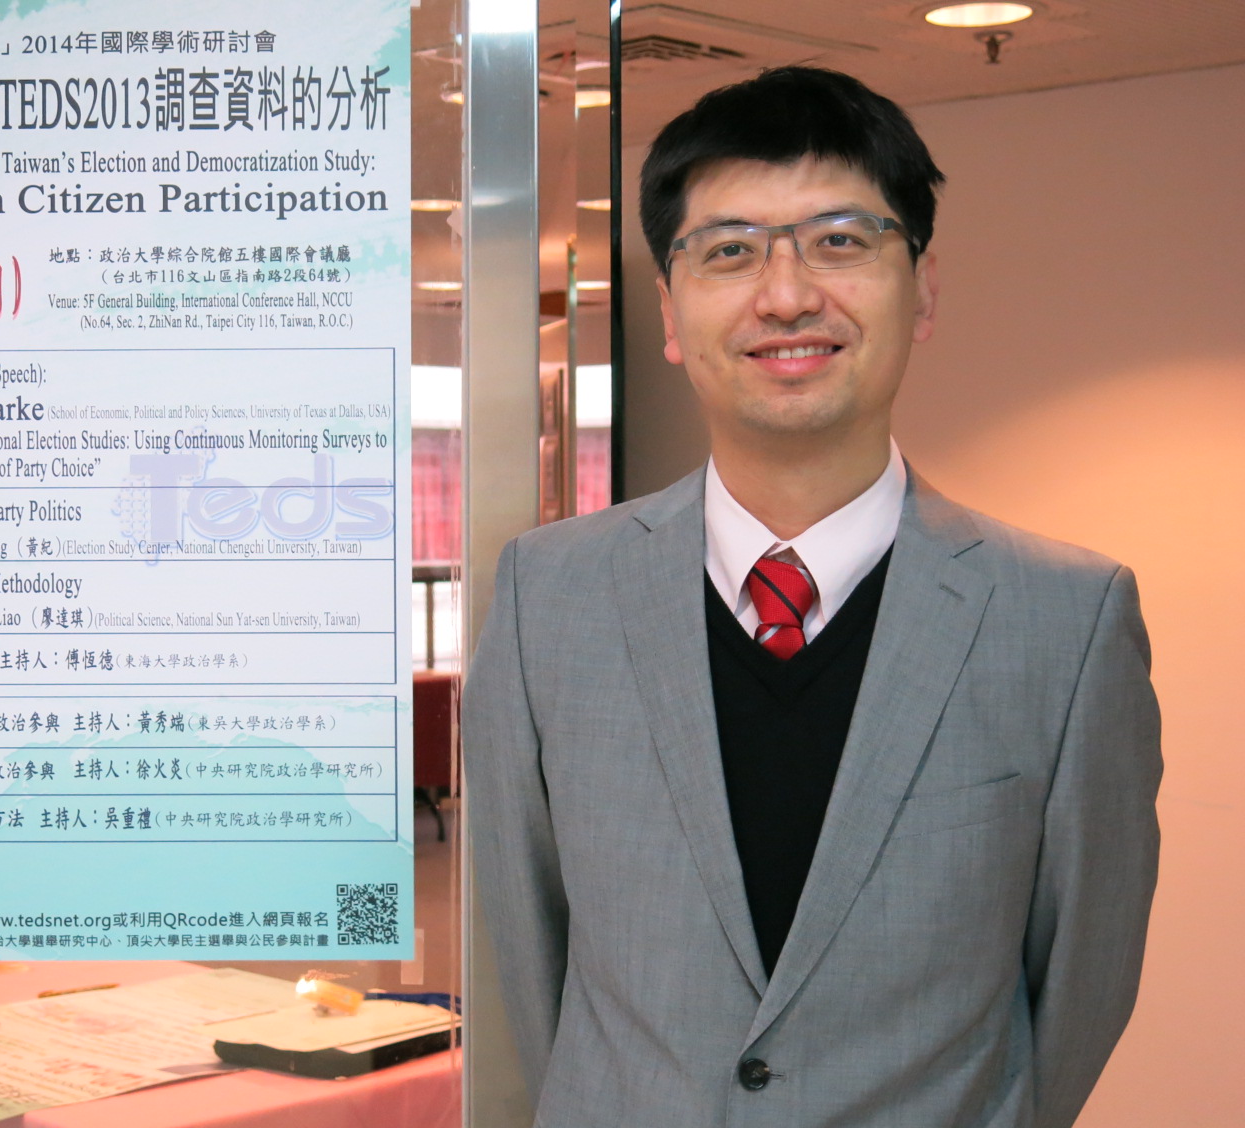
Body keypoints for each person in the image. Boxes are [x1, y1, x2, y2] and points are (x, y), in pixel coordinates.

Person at [461, 65, 1161, 1128]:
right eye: (728, 251)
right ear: (668, 311)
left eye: (840, 241)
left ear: (922, 291)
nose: (786, 296)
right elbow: (527, 951)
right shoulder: (547, 596)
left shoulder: (1066, 621)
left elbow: (1079, 988)